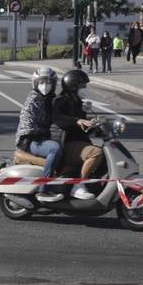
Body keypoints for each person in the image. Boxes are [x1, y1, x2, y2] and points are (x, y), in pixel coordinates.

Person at [51, 68, 104, 199]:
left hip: (78, 142)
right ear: (73, 86)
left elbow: (81, 126)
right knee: (96, 152)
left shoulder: (77, 102)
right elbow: (58, 118)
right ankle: (79, 186)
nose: (85, 88)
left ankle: (95, 185)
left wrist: (94, 125)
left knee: (105, 154)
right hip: (65, 143)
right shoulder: (60, 100)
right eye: (82, 86)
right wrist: (77, 120)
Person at [14, 67, 62, 187]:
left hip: (42, 138)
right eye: (41, 82)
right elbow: (28, 124)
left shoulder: (49, 99)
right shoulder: (34, 100)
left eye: (49, 82)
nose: (45, 85)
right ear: (35, 83)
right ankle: (44, 187)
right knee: (54, 148)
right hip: (30, 140)